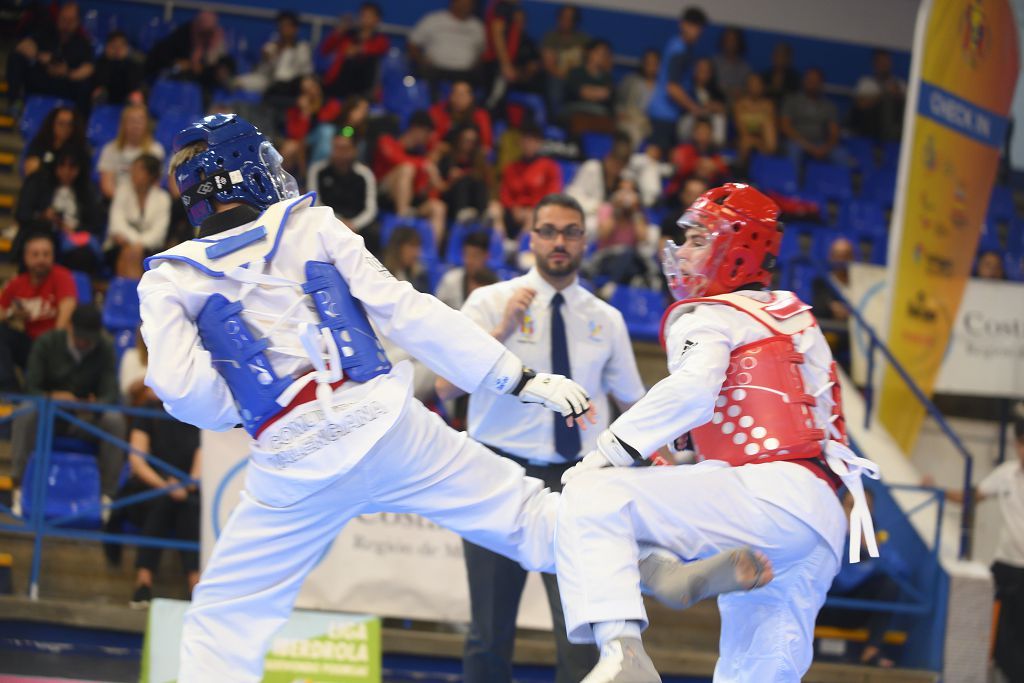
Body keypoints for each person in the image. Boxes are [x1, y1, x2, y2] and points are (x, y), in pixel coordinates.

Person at [141, 114, 598, 680]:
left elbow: (182, 391)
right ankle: (645, 578)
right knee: (533, 517)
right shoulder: (313, 225)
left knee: (223, 622)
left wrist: (249, 400)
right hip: (383, 422)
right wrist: (517, 379)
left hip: (291, 453)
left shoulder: (169, 279)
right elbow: (406, 310)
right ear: (246, 170)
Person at [555, 183, 879, 682]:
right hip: (821, 524)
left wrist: (607, 452)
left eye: (697, 240)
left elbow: (692, 390)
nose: (681, 253)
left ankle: (626, 651)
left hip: (767, 496)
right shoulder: (796, 314)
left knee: (589, 493)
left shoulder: (708, 315)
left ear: (737, 249)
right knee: (754, 674)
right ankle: (663, 567)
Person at [435, 193, 646, 683]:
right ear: (530, 238)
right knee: (489, 632)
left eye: (571, 232)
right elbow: (446, 389)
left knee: (578, 634)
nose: (559, 242)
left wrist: (670, 454)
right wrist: (505, 328)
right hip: (497, 476)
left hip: (576, 483)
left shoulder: (605, 319)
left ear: (584, 242)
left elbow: (633, 404)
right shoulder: (489, 302)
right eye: (548, 230)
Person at [924, 419, 1024, 682]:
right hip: (1006, 564)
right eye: (1022, 444)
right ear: (1016, 445)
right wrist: (938, 491)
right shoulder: (1006, 474)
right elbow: (973, 497)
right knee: (994, 633)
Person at [11, 304, 125, 508]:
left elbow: (111, 394)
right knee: (25, 411)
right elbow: (31, 389)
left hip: (86, 418)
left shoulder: (105, 348)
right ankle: (19, 487)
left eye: (90, 338)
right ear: (69, 327)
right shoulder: (47, 342)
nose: (84, 342)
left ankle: (107, 497)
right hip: (48, 416)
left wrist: (95, 404)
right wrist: (53, 397)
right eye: (81, 335)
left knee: (114, 420)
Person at [0, 233, 77, 392]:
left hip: (57, 345)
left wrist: (50, 347)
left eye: (46, 254)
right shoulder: (17, 283)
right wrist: (11, 315)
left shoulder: (61, 276)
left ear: (53, 256)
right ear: (26, 257)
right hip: (31, 345)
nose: (41, 259)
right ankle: (10, 391)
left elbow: (66, 313)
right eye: (35, 254)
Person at [15, 150, 103, 275]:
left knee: (82, 255)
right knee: (38, 246)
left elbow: (95, 223)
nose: (66, 172)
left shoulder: (87, 191)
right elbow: (23, 215)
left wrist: (74, 229)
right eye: (62, 166)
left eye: (72, 167)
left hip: (74, 238)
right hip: (46, 232)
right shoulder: (41, 184)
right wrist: (44, 216)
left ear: (79, 169)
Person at [373, 111, 447, 244]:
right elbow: (396, 159)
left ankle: (430, 256)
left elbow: (421, 190)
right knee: (407, 169)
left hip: (410, 202)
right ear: (417, 129)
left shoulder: (420, 156)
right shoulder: (388, 141)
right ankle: (403, 223)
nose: (429, 138)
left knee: (438, 207)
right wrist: (425, 164)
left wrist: (428, 185)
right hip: (384, 195)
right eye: (427, 132)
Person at [6, 2, 94, 109]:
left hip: (65, 84)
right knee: (15, 58)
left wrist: (68, 73)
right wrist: (40, 56)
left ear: (77, 22)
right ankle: (15, 103)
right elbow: (23, 46)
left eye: (70, 21)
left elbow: (89, 68)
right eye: (63, 19)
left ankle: (80, 119)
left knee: (85, 86)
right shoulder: (46, 33)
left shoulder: (83, 43)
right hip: (41, 79)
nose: (66, 23)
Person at [647, 7, 708, 154]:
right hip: (663, 114)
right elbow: (672, 88)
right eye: (692, 25)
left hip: (671, 115)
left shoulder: (682, 47)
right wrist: (694, 108)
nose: (696, 31)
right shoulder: (679, 50)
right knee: (655, 157)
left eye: (699, 27)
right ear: (682, 24)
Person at [105, 154, 172, 279]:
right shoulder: (122, 191)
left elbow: (159, 233)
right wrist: (135, 242)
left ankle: (128, 292)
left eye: (138, 169)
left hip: (150, 248)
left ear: (150, 175)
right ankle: (130, 293)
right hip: (121, 244)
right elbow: (117, 223)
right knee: (128, 252)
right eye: (133, 168)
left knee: (132, 253)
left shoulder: (163, 198)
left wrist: (139, 244)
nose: (133, 172)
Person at [308, 132, 378, 246]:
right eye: (336, 148)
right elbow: (315, 202)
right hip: (328, 221)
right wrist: (338, 222)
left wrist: (354, 224)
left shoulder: (365, 174)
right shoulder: (317, 170)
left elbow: (371, 209)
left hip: (356, 225)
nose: (339, 153)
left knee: (373, 232)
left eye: (344, 148)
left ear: (355, 150)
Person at [498, 120, 562, 239]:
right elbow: (505, 195)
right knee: (494, 210)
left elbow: (553, 195)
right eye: (525, 140)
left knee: (532, 216)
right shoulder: (511, 168)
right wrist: (514, 208)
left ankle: (521, 247)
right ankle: (500, 245)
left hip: (538, 213)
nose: (528, 144)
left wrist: (533, 209)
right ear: (520, 142)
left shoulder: (549, 166)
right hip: (513, 212)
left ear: (540, 143)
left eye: (533, 140)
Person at [409, 0, 486, 93]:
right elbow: (413, 43)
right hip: (435, 69)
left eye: (469, 4)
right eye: (463, 3)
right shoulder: (434, 19)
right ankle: (433, 106)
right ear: (453, 2)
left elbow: (482, 52)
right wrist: (421, 60)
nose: (465, 6)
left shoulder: (477, 26)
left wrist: (477, 64)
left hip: (465, 73)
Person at [233, 11, 313, 99]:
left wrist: (287, 51)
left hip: (292, 85)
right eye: (282, 26)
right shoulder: (271, 46)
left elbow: (304, 71)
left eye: (287, 26)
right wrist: (266, 58)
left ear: (295, 29)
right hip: (270, 81)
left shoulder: (302, 47)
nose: (284, 29)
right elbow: (262, 72)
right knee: (238, 82)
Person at [318, 3, 389, 100]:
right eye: (363, 15)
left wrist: (358, 50)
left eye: (369, 16)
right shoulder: (348, 35)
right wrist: (339, 30)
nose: (364, 18)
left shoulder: (380, 39)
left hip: (363, 84)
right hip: (339, 81)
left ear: (377, 19)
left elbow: (380, 48)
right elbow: (325, 49)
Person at [96, 102, 165, 200]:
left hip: (145, 201)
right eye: (131, 121)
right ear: (123, 124)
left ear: (147, 124)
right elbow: (107, 186)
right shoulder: (110, 149)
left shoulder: (156, 150)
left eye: (140, 121)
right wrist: (124, 202)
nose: (136, 125)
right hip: (116, 200)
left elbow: (155, 184)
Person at [780, 67, 843, 171]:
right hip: (797, 142)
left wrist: (825, 148)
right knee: (793, 150)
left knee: (841, 155)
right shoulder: (792, 100)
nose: (812, 84)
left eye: (815, 81)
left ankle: (844, 186)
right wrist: (808, 146)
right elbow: (785, 126)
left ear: (821, 83)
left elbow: (834, 133)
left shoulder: (829, 106)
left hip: (820, 144)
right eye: (809, 80)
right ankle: (792, 185)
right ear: (804, 81)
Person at [540, 5, 590, 114]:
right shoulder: (551, 38)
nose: (565, 21)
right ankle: (556, 118)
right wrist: (567, 77)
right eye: (562, 17)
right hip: (558, 76)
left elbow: (589, 64)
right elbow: (549, 66)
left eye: (569, 18)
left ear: (575, 21)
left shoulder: (583, 39)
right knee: (556, 84)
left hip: (579, 78)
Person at [849, 50, 905, 143]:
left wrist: (898, 95)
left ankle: (892, 136)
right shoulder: (866, 83)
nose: (884, 65)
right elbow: (860, 105)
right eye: (881, 62)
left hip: (896, 127)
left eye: (886, 62)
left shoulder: (900, 84)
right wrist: (883, 94)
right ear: (875, 64)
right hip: (870, 127)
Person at [562, 39, 615, 136]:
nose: (601, 56)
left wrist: (590, 91)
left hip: (600, 115)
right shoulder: (576, 72)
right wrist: (597, 93)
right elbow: (580, 92)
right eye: (598, 52)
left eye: (604, 54)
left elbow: (608, 96)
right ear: (588, 52)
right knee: (578, 123)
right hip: (576, 111)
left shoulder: (607, 78)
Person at [435, 230, 498, 310]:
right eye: (466, 254)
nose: (469, 261)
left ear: (486, 256)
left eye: (475, 256)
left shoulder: (495, 285)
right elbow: (436, 311)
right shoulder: (450, 280)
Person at [21, 105, 89, 178]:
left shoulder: (79, 150)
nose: (65, 128)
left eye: (70, 125)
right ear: (52, 124)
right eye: (61, 124)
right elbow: (30, 172)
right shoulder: (39, 144)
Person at [429, 79, 494, 153]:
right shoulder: (439, 112)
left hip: (472, 155)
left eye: (462, 95)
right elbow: (431, 141)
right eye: (455, 94)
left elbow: (486, 145)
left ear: (471, 98)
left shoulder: (480, 116)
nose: (458, 98)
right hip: (446, 155)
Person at [676, 57, 728, 146]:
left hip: (709, 125)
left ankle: (717, 146)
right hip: (691, 123)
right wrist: (697, 109)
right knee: (687, 119)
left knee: (719, 117)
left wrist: (715, 107)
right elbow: (681, 110)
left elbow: (723, 108)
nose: (703, 74)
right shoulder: (687, 89)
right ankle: (686, 145)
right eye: (700, 70)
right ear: (694, 71)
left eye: (706, 71)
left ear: (711, 73)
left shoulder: (716, 92)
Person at [616, 49, 660, 149]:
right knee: (632, 131)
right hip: (630, 116)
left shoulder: (663, 86)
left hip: (650, 122)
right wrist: (620, 112)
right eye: (648, 62)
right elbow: (619, 101)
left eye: (654, 63)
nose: (651, 66)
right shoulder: (630, 80)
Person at [732, 72, 777, 167]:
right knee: (746, 142)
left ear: (762, 86)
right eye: (752, 84)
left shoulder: (768, 104)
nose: (755, 87)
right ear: (747, 86)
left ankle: (767, 169)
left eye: (757, 84)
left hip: (763, 139)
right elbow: (741, 129)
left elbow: (770, 127)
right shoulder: (740, 104)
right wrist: (755, 140)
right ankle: (742, 172)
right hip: (745, 138)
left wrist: (757, 141)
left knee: (768, 126)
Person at [91, 30, 145, 106]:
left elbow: (132, 85)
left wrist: (122, 61)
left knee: (136, 97)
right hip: (107, 97)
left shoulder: (133, 63)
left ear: (126, 47)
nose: (117, 50)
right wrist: (111, 61)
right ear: (107, 46)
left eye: (120, 46)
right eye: (114, 46)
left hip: (126, 98)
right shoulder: (101, 63)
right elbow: (101, 82)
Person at [382, 225, 431, 293]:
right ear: (397, 247)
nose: (417, 253)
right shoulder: (380, 272)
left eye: (417, 247)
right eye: (412, 246)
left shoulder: (420, 276)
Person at [711, 27, 752, 104]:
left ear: (739, 42)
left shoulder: (745, 67)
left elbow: (747, 90)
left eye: (733, 40)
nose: (730, 43)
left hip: (737, 105)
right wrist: (727, 90)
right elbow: (710, 86)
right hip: (716, 104)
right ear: (723, 41)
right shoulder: (714, 62)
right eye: (727, 39)